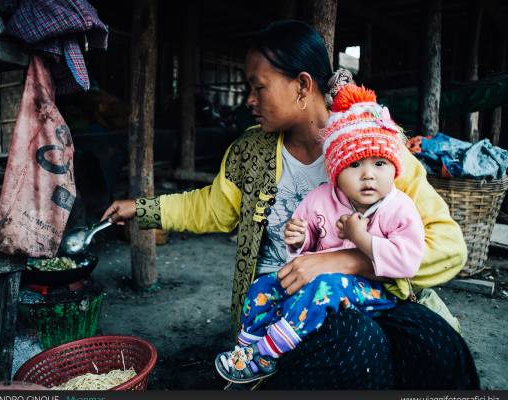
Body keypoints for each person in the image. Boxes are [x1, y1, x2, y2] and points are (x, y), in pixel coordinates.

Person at [102, 20, 479, 389]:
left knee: (438, 344)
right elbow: (211, 207)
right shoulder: (251, 151)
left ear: (301, 86)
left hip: (375, 295)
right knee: (355, 341)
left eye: (258, 87)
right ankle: (258, 358)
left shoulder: (376, 150)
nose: (249, 99)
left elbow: (448, 249)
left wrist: (343, 260)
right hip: (287, 302)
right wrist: (143, 209)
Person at [213, 83, 425, 384]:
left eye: (380, 163)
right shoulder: (321, 198)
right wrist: (299, 239)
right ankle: (246, 353)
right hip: (320, 283)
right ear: (336, 171)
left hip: (376, 291)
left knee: (324, 285)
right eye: (355, 164)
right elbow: (307, 245)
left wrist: (361, 237)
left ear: (394, 168)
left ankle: (267, 353)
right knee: (262, 287)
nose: (368, 174)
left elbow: (408, 262)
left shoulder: (399, 208)